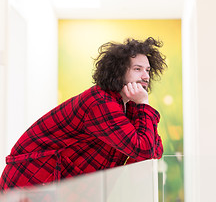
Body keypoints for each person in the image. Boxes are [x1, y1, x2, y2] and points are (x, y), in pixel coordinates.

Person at [0, 37, 167, 191]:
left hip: (61, 186)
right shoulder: (100, 102)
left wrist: (141, 106)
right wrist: (144, 105)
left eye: (148, 70)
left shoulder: (129, 107)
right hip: (33, 181)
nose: (146, 76)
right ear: (118, 72)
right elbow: (143, 150)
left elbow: (153, 151)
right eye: (138, 69)